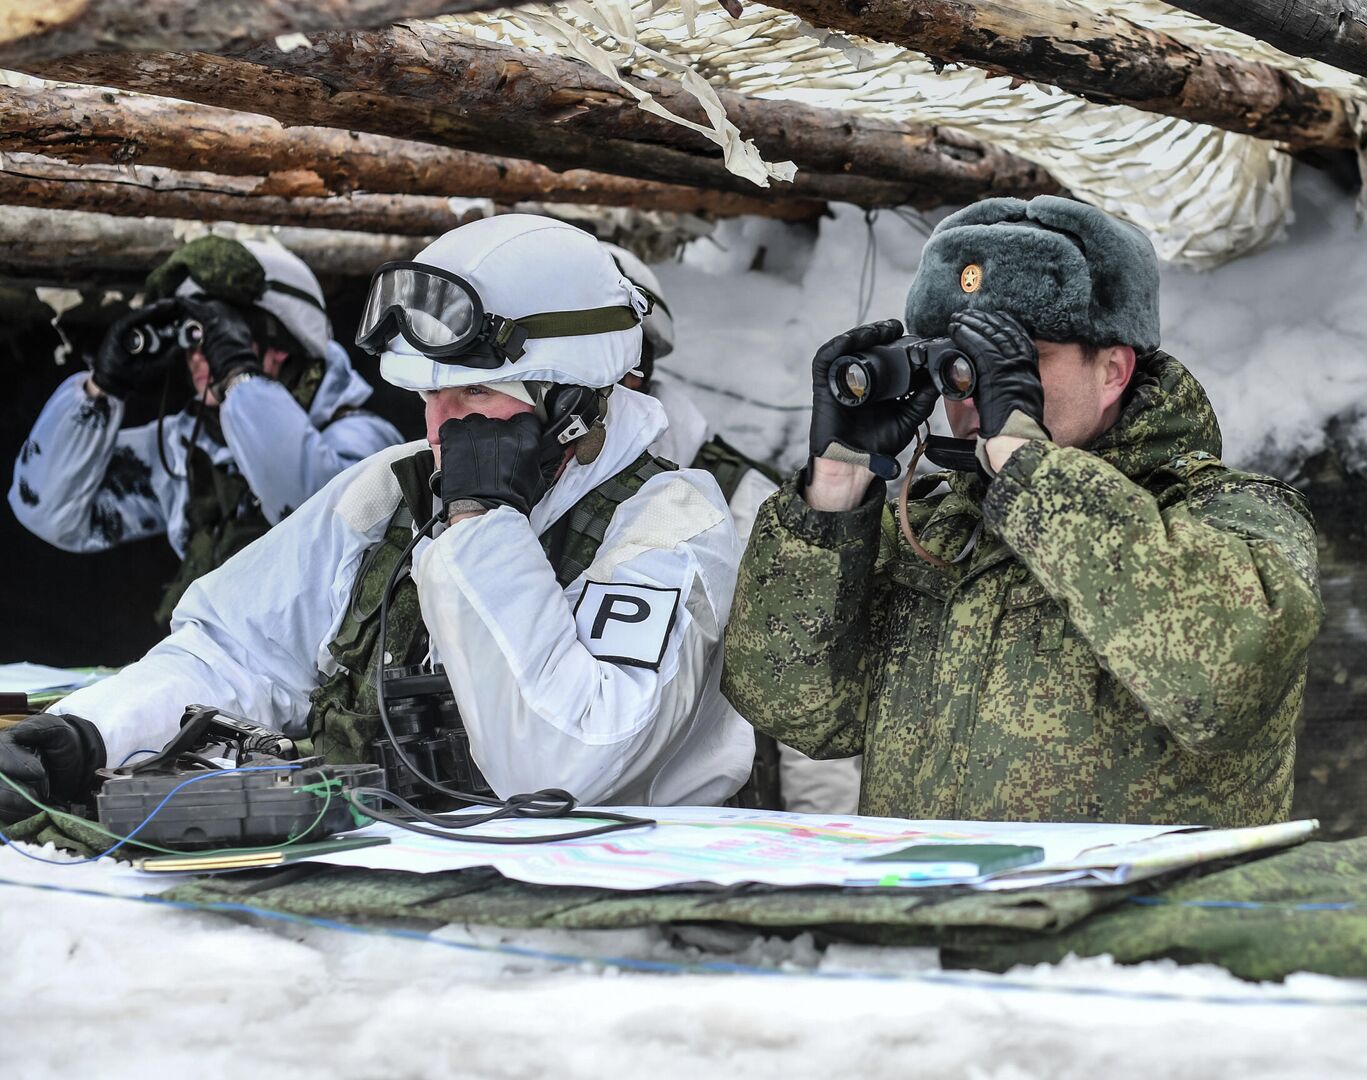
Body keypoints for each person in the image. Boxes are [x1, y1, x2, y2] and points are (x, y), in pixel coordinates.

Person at [0, 215, 752, 825]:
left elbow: (565, 768)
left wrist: (483, 522)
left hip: (593, 952)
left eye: (473, 399)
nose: (438, 430)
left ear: (571, 399)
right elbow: (237, 652)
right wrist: (87, 732)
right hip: (387, 912)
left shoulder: (672, 525)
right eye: (429, 398)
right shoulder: (390, 490)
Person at [722, 195, 1323, 826]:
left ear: (1114, 369)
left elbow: (1223, 682)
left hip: (1129, 920)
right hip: (937, 913)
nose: (979, 393)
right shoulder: (933, 531)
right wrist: (834, 494)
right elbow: (794, 707)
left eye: (1014, 362)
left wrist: (1028, 469)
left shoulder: (1232, 514)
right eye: (963, 367)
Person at [9, 235, 402, 621]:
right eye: (194, 337)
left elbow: (310, 514)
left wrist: (239, 380)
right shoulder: (190, 449)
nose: (198, 355)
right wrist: (102, 388)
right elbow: (50, 512)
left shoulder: (363, 441)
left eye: (218, 334)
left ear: (280, 342)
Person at [603, 241, 859, 814]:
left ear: (635, 371)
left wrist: (819, 847)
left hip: (705, 833)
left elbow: (805, 676)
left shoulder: (739, 501)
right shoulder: (480, 494)